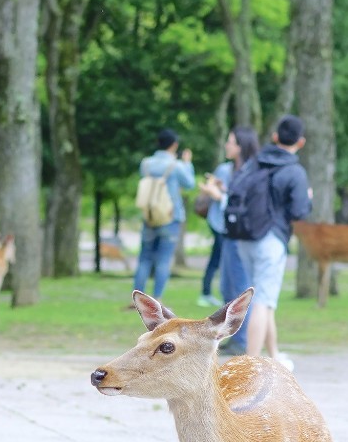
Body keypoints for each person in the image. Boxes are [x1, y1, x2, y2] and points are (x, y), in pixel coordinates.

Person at [236, 115, 311, 367]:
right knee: (263, 300)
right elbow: (300, 211)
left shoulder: (254, 163)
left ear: (275, 137)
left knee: (265, 297)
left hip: (245, 238)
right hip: (271, 239)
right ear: (300, 142)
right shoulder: (294, 171)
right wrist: (308, 197)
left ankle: (274, 354)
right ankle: (252, 364)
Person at [199, 127, 259, 327]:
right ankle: (234, 336)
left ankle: (241, 339)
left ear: (241, 147)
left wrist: (219, 196)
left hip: (241, 235)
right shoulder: (229, 169)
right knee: (227, 286)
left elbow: (246, 205)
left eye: (231, 142)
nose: (227, 145)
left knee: (239, 289)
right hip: (226, 232)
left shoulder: (252, 172)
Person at [132, 130, 196, 299]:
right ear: (174, 145)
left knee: (144, 258)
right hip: (170, 217)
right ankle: (157, 299)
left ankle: (138, 299)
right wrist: (187, 163)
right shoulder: (176, 166)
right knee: (163, 260)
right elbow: (190, 184)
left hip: (149, 216)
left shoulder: (146, 164)